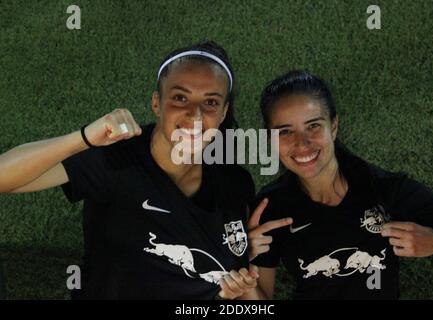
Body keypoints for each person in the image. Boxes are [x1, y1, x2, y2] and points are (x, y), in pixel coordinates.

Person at [0, 42, 263, 299]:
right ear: (156, 103)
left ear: (223, 112)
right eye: (180, 97)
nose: (194, 115)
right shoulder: (115, 157)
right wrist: (84, 139)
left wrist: (235, 286)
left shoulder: (235, 183)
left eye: (210, 102)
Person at [243, 70, 433, 299]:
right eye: (285, 131)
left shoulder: (382, 187)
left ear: (333, 125)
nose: (302, 144)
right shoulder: (269, 207)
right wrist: (245, 267)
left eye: (313, 126)